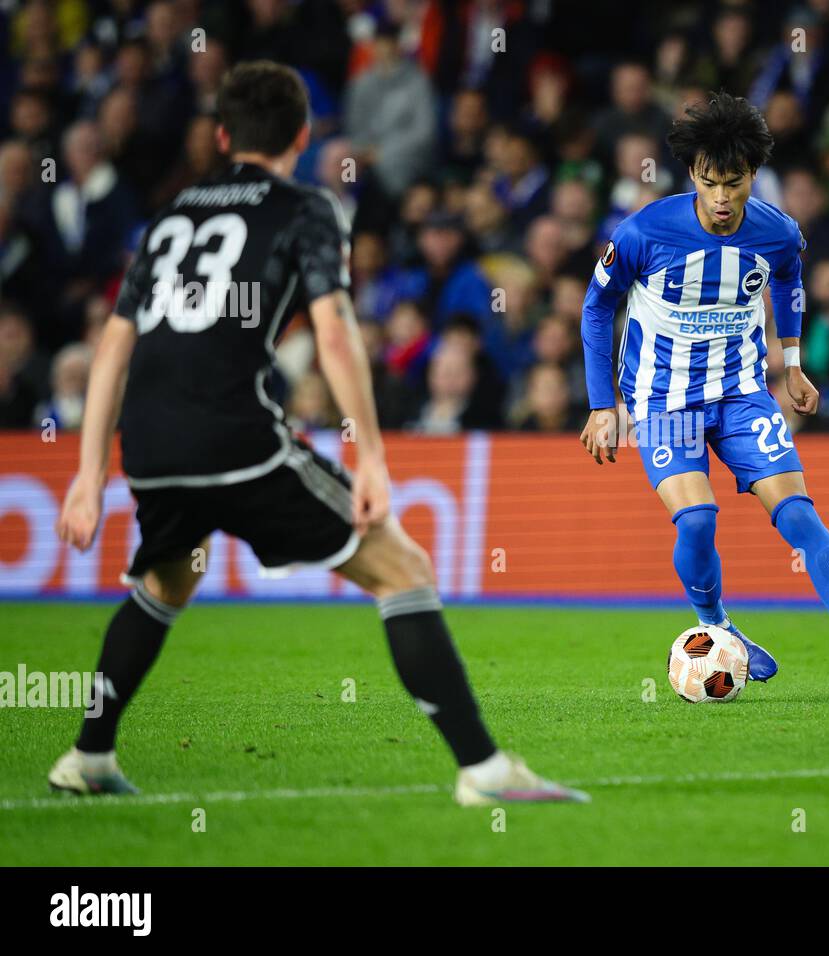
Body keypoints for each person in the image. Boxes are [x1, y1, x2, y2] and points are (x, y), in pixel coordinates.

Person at [51, 61, 588, 806]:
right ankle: (484, 770)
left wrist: (88, 473)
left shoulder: (171, 215)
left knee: (168, 578)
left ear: (223, 135)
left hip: (149, 443)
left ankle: (88, 756)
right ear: (303, 137)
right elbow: (333, 334)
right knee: (402, 568)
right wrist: (369, 457)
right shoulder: (307, 208)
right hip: (232, 434)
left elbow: (113, 346)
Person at [580, 92, 829, 702]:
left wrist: (795, 362)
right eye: (710, 183)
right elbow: (597, 306)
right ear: (692, 174)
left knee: (801, 516)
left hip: (740, 394)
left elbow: (789, 280)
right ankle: (719, 627)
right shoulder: (645, 231)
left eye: (734, 183)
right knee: (697, 520)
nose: (722, 199)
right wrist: (602, 403)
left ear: (752, 174)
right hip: (663, 400)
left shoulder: (778, 233)